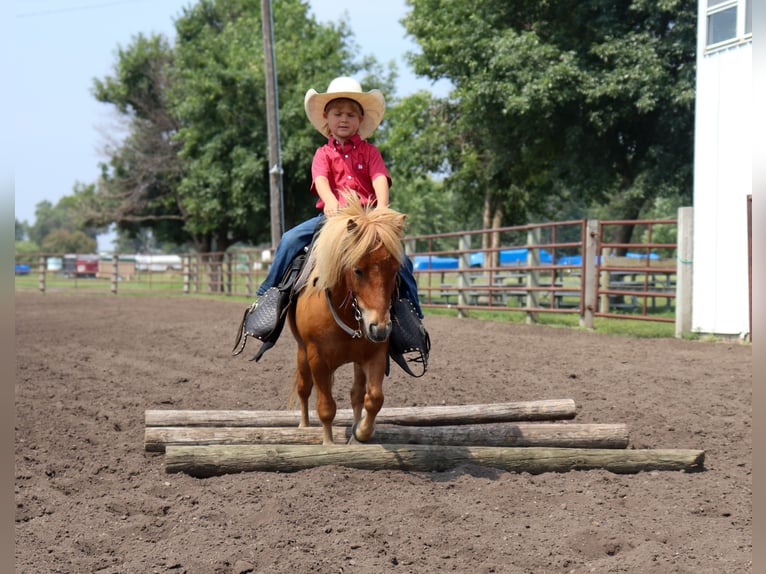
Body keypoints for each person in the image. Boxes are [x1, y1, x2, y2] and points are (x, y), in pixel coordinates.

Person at [235, 77, 429, 375]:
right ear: (326, 117)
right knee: (289, 240)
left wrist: (382, 206)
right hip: (334, 219)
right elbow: (321, 180)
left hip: (366, 220)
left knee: (400, 261)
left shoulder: (370, 152)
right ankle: (270, 298)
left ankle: (409, 314)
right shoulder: (323, 154)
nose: (344, 119)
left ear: (360, 120)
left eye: (350, 114)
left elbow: (379, 178)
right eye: (337, 113)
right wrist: (329, 201)